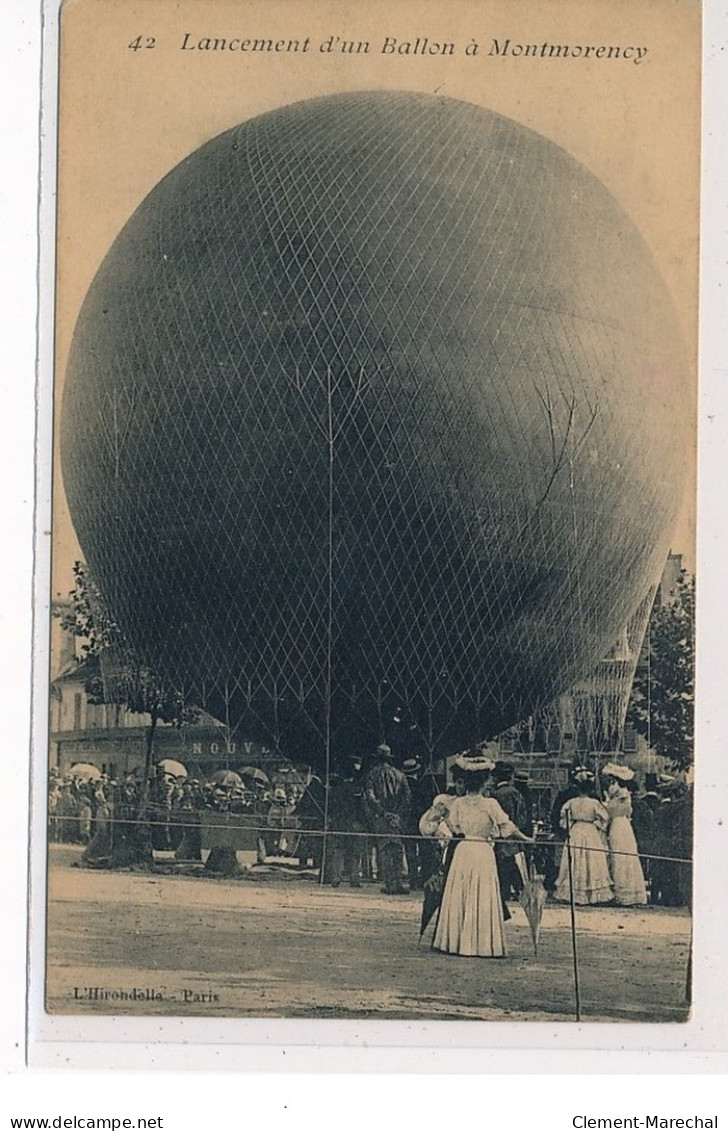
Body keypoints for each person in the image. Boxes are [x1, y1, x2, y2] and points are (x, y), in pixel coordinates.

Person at [431, 768, 530, 957]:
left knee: (462, 893)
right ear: (483, 782)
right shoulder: (490, 804)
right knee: (482, 894)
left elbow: (454, 826)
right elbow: (506, 826)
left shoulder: (458, 803)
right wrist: (526, 838)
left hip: (464, 849)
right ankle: (481, 944)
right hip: (482, 851)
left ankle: (457, 942)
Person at [553, 770, 613, 905]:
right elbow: (605, 818)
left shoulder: (571, 802)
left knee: (575, 858)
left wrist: (569, 826)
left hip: (576, 831)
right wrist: (597, 825)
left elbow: (563, 819)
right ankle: (591, 893)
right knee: (591, 858)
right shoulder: (594, 803)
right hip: (590, 831)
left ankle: (575, 892)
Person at [364, 743, 411, 894]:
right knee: (397, 849)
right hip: (397, 817)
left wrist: (382, 812)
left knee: (384, 850)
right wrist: (398, 813)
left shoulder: (372, 774)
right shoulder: (400, 774)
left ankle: (389, 883)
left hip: (382, 817)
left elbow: (370, 796)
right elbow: (407, 796)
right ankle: (398, 883)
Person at [602, 763, 647, 906]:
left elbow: (610, 811)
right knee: (624, 855)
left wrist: (604, 803)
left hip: (618, 826)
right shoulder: (624, 795)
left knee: (619, 856)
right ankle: (628, 890)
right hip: (625, 826)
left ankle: (622, 892)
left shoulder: (620, 794)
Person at [492, 761, 528, 900]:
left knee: (504, 863)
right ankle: (518, 890)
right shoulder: (515, 793)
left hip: (500, 837)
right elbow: (522, 816)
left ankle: (507, 891)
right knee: (511, 862)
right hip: (513, 835)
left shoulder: (495, 795)